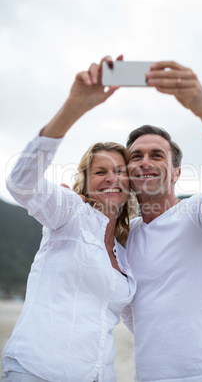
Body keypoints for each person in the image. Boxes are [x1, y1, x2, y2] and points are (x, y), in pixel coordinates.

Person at [2, 56, 137, 382]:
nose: (111, 179)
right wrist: (75, 107)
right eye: (100, 172)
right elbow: (21, 183)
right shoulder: (68, 212)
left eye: (120, 171)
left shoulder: (125, 252)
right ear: (85, 182)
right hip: (37, 371)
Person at [120, 61, 202, 382]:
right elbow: (130, 311)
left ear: (177, 173)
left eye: (156, 155)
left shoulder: (197, 215)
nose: (145, 162)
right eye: (136, 156)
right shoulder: (126, 238)